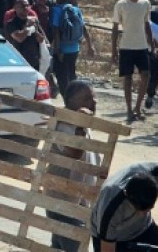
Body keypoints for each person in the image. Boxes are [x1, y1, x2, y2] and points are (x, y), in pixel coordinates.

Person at [47, 80, 100, 252]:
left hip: (77, 202)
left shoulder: (83, 123)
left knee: (59, 247)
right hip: (64, 203)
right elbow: (74, 153)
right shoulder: (64, 125)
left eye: (94, 97)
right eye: (87, 98)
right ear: (70, 101)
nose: (94, 102)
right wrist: (80, 128)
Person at [111, 0, 154, 123]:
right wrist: (113, 51)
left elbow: (146, 23)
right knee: (128, 78)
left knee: (146, 75)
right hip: (126, 47)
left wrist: (152, 43)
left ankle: (138, 106)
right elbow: (115, 28)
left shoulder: (145, 3)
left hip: (142, 46)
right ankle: (129, 109)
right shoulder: (121, 5)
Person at [89, 162, 158, 252]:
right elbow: (107, 249)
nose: (142, 215)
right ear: (127, 196)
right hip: (114, 238)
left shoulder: (154, 174)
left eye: (149, 209)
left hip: (143, 228)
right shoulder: (110, 209)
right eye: (139, 210)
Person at [51, 0, 95, 98]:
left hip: (62, 49)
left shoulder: (56, 10)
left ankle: (68, 100)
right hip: (74, 48)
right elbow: (83, 28)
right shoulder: (76, 10)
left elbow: (56, 31)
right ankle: (76, 97)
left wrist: (57, 49)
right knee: (71, 73)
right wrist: (90, 45)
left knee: (61, 75)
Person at [6, 0, 46, 71]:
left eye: (27, 5)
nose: (26, 8)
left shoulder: (34, 21)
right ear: (15, 8)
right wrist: (27, 26)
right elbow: (19, 38)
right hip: (18, 61)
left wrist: (35, 30)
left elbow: (41, 39)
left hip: (33, 61)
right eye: (22, 6)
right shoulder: (11, 24)